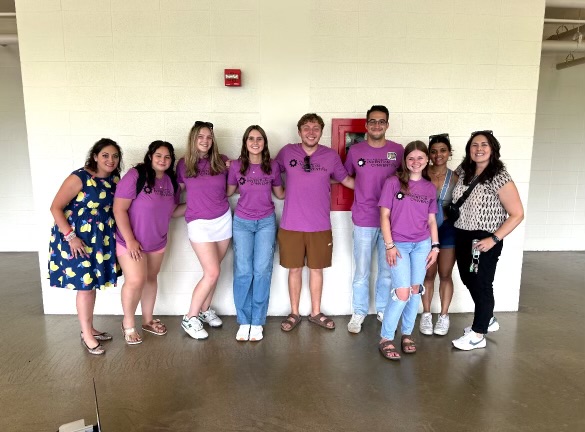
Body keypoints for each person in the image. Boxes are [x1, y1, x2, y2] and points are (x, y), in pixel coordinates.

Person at [276, 113, 354, 332]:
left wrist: (376, 189)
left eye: (316, 128)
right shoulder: (286, 152)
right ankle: (294, 313)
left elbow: (346, 179)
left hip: (320, 225)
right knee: (294, 270)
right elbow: (268, 171)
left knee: (316, 270)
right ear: (299, 131)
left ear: (321, 132)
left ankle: (315, 312)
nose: (311, 132)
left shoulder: (329, 156)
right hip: (291, 225)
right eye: (306, 128)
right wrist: (235, 165)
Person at [48, 138, 122, 355]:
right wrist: (71, 237)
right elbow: (55, 207)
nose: (111, 160)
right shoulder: (79, 176)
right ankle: (86, 335)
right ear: (96, 156)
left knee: (90, 286)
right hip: (77, 240)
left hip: (100, 240)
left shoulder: (114, 179)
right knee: (85, 286)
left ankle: (89, 328)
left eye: (115, 156)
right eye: (106, 155)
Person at [451, 130, 524, 351]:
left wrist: (493, 239)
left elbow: (517, 213)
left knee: (481, 283)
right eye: (474, 145)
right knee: (467, 277)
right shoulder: (463, 170)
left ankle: (478, 333)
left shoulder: (499, 176)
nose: (479, 149)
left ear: (492, 149)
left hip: (484, 239)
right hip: (462, 234)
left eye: (484, 145)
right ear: (469, 149)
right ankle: (488, 318)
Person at [113, 141, 183, 345]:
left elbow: (172, 211)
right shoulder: (136, 175)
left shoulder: (171, 181)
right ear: (150, 156)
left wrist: (197, 206)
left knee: (151, 278)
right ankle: (128, 323)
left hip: (157, 241)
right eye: (159, 155)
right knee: (135, 281)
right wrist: (131, 240)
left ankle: (147, 320)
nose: (163, 160)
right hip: (131, 242)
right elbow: (119, 209)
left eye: (167, 157)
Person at [344, 105, 404, 334]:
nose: (377, 125)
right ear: (366, 125)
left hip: (391, 222)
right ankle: (359, 311)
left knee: (387, 270)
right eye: (373, 121)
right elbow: (345, 177)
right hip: (363, 218)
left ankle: (382, 309)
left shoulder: (398, 151)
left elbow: (407, 180)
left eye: (381, 121)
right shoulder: (355, 151)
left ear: (387, 125)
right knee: (361, 271)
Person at [378, 141, 439, 361]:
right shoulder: (393, 183)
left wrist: (435, 246)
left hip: (422, 245)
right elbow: (384, 216)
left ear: (427, 160)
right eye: (411, 158)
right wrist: (389, 245)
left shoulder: (429, 188)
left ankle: (406, 333)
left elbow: (432, 220)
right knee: (402, 293)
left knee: (415, 290)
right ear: (405, 161)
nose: (416, 162)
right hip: (399, 245)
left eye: (420, 158)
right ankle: (386, 337)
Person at [227, 125, 285, 342]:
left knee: (261, 271)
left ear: (264, 142)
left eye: (259, 138)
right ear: (245, 142)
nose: (255, 142)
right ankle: (244, 321)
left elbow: (280, 194)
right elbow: (227, 192)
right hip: (242, 222)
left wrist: (310, 188)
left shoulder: (273, 166)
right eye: (251, 138)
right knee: (243, 271)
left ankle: (257, 322)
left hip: (266, 223)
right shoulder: (235, 166)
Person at [177, 121, 231, 340]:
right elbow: (175, 193)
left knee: (215, 270)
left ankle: (205, 310)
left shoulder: (222, 161)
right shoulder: (183, 164)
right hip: (199, 223)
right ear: (193, 138)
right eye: (201, 136)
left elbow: (234, 186)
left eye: (209, 137)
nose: (205, 141)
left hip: (223, 220)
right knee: (212, 272)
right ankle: (190, 317)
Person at [420, 133, 459, 336]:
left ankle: (443, 316)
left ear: (449, 153)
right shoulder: (421, 173)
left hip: (447, 229)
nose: (438, 155)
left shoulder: (456, 177)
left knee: (445, 274)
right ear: (428, 154)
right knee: (428, 273)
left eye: (443, 150)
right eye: (433, 151)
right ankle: (426, 314)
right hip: (425, 228)